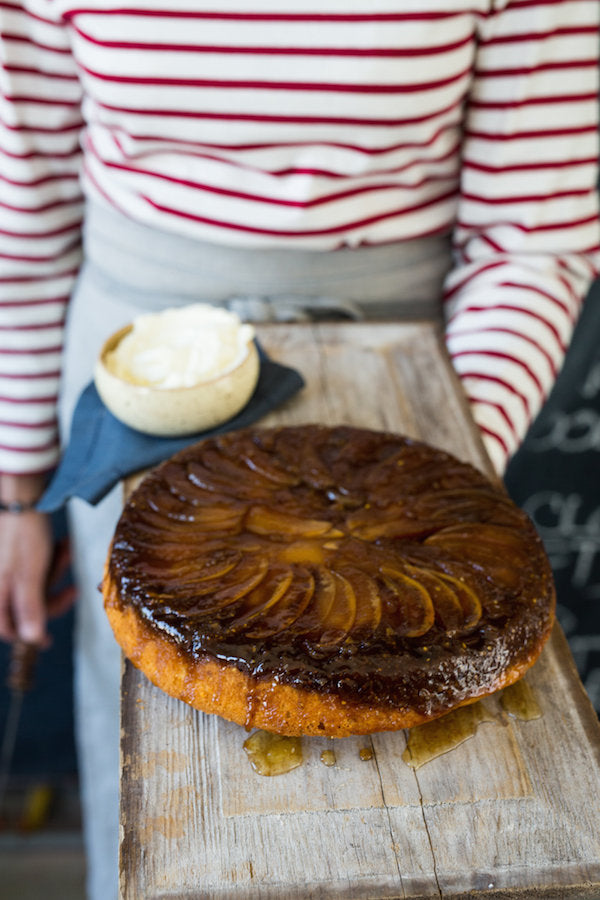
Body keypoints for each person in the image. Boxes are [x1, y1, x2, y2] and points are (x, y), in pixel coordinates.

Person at [1, 2, 598, 897]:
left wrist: (437, 469)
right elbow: (23, 220)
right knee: (161, 785)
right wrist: (19, 490)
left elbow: (534, 235)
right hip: (134, 373)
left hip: (415, 374)